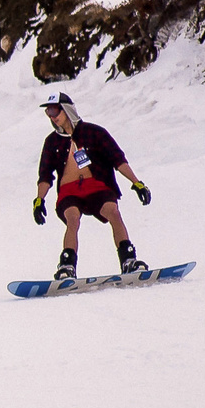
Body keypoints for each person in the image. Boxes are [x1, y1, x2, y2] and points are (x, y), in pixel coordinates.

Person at [35, 91, 153, 280]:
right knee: (72, 218)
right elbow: (45, 175)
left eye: (55, 111)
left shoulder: (94, 133)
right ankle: (66, 266)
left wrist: (137, 183)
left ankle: (128, 259)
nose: (52, 116)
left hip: (97, 186)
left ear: (67, 110)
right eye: (48, 112)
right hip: (69, 190)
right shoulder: (51, 142)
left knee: (113, 211)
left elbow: (117, 159)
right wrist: (39, 200)